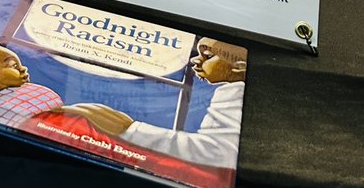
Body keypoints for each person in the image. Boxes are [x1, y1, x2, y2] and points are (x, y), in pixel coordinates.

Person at [64, 37, 247, 169]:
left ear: (239, 66)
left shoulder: (235, 91)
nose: (194, 59)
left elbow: (217, 153)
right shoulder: (231, 89)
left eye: (207, 56)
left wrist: (129, 130)